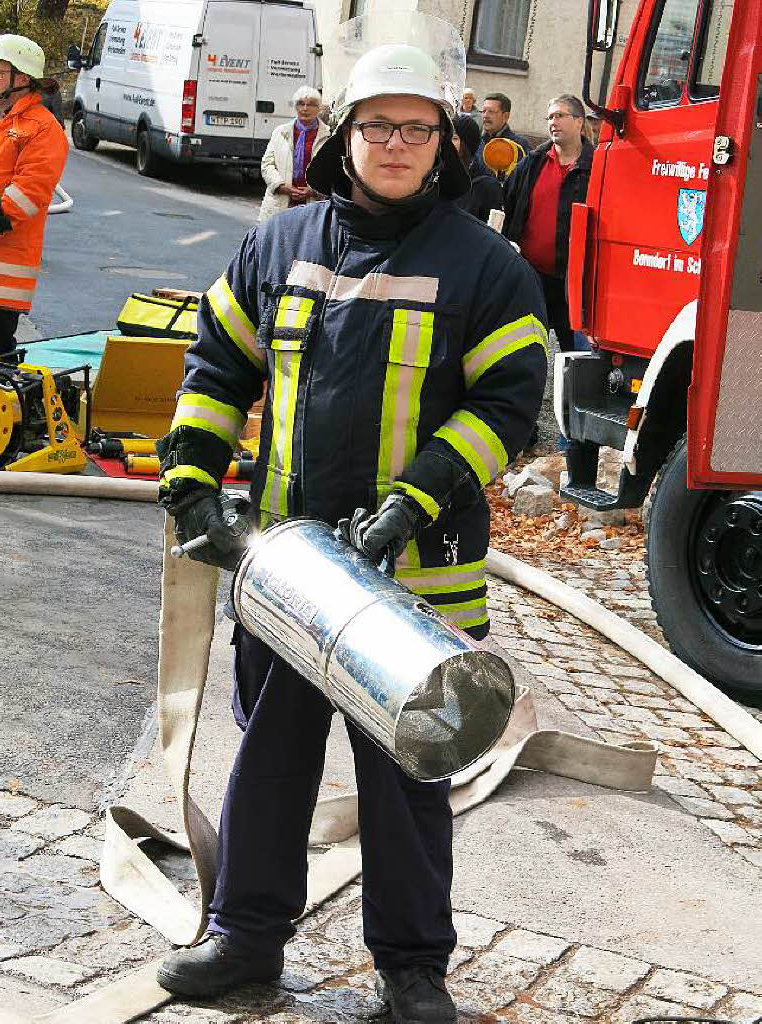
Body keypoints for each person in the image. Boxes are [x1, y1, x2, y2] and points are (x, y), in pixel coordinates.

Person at [155, 18, 547, 1024]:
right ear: (345, 137)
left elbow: (508, 406)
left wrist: (412, 500)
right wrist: (192, 474)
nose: (395, 143)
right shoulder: (279, 242)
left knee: (408, 781)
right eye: (377, 126)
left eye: (416, 128)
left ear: (444, 144)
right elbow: (216, 366)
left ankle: (412, 972)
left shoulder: (484, 269)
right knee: (270, 763)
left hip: (419, 580)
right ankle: (244, 942)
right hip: (293, 576)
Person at [0, 34, 68, 360]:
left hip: (3, 275)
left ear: (21, 79)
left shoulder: (43, 129)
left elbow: (24, 198)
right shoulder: (1, 119)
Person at [502, 93, 593, 354]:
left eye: (560, 115)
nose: (553, 122)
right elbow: (507, 204)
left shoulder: (596, 166)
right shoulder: (533, 162)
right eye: (550, 116)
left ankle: (568, 396)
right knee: (526, 348)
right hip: (531, 276)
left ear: (578, 121)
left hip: (572, 280)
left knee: (573, 356)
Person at [258, 86, 329, 222]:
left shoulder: (328, 136)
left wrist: (313, 191)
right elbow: (267, 164)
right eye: (301, 104)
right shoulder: (280, 132)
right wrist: (281, 186)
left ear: (319, 108)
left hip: (313, 206)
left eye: (311, 104)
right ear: (295, 107)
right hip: (280, 204)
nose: (305, 108)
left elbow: (332, 171)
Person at [452, 114, 502, 222]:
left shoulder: (486, 186)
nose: (446, 143)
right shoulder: (434, 176)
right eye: (444, 137)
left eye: (454, 138)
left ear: (467, 145)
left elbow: (492, 232)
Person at [472, 92, 530, 177]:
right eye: (483, 111)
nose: (485, 116)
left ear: (505, 116)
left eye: (491, 111)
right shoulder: (477, 142)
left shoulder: (518, 146)